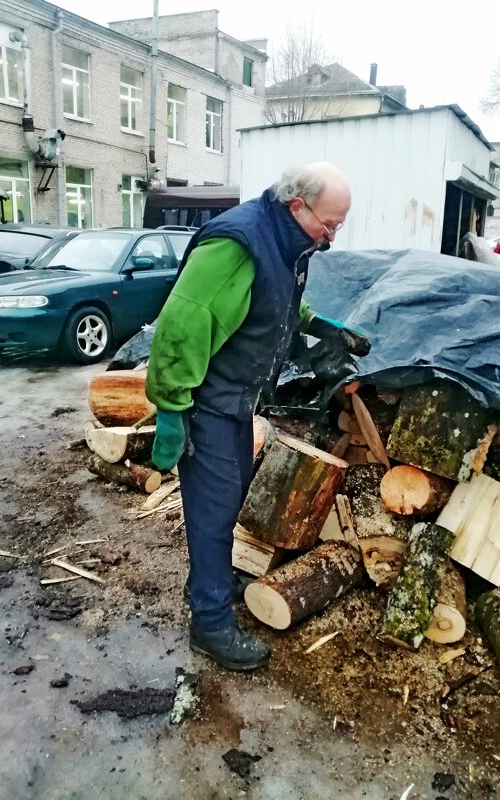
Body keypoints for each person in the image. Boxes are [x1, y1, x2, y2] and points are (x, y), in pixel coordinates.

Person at [145, 162, 371, 671]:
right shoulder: (237, 244)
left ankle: (212, 582)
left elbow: (272, 297)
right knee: (213, 513)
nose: (332, 236)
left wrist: (320, 325)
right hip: (207, 403)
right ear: (297, 205)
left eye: (339, 225)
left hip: (237, 401)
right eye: (328, 224)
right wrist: (171, 411)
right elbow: (181, 326)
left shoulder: (287, 242)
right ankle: (209, 622)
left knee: (228, 501)